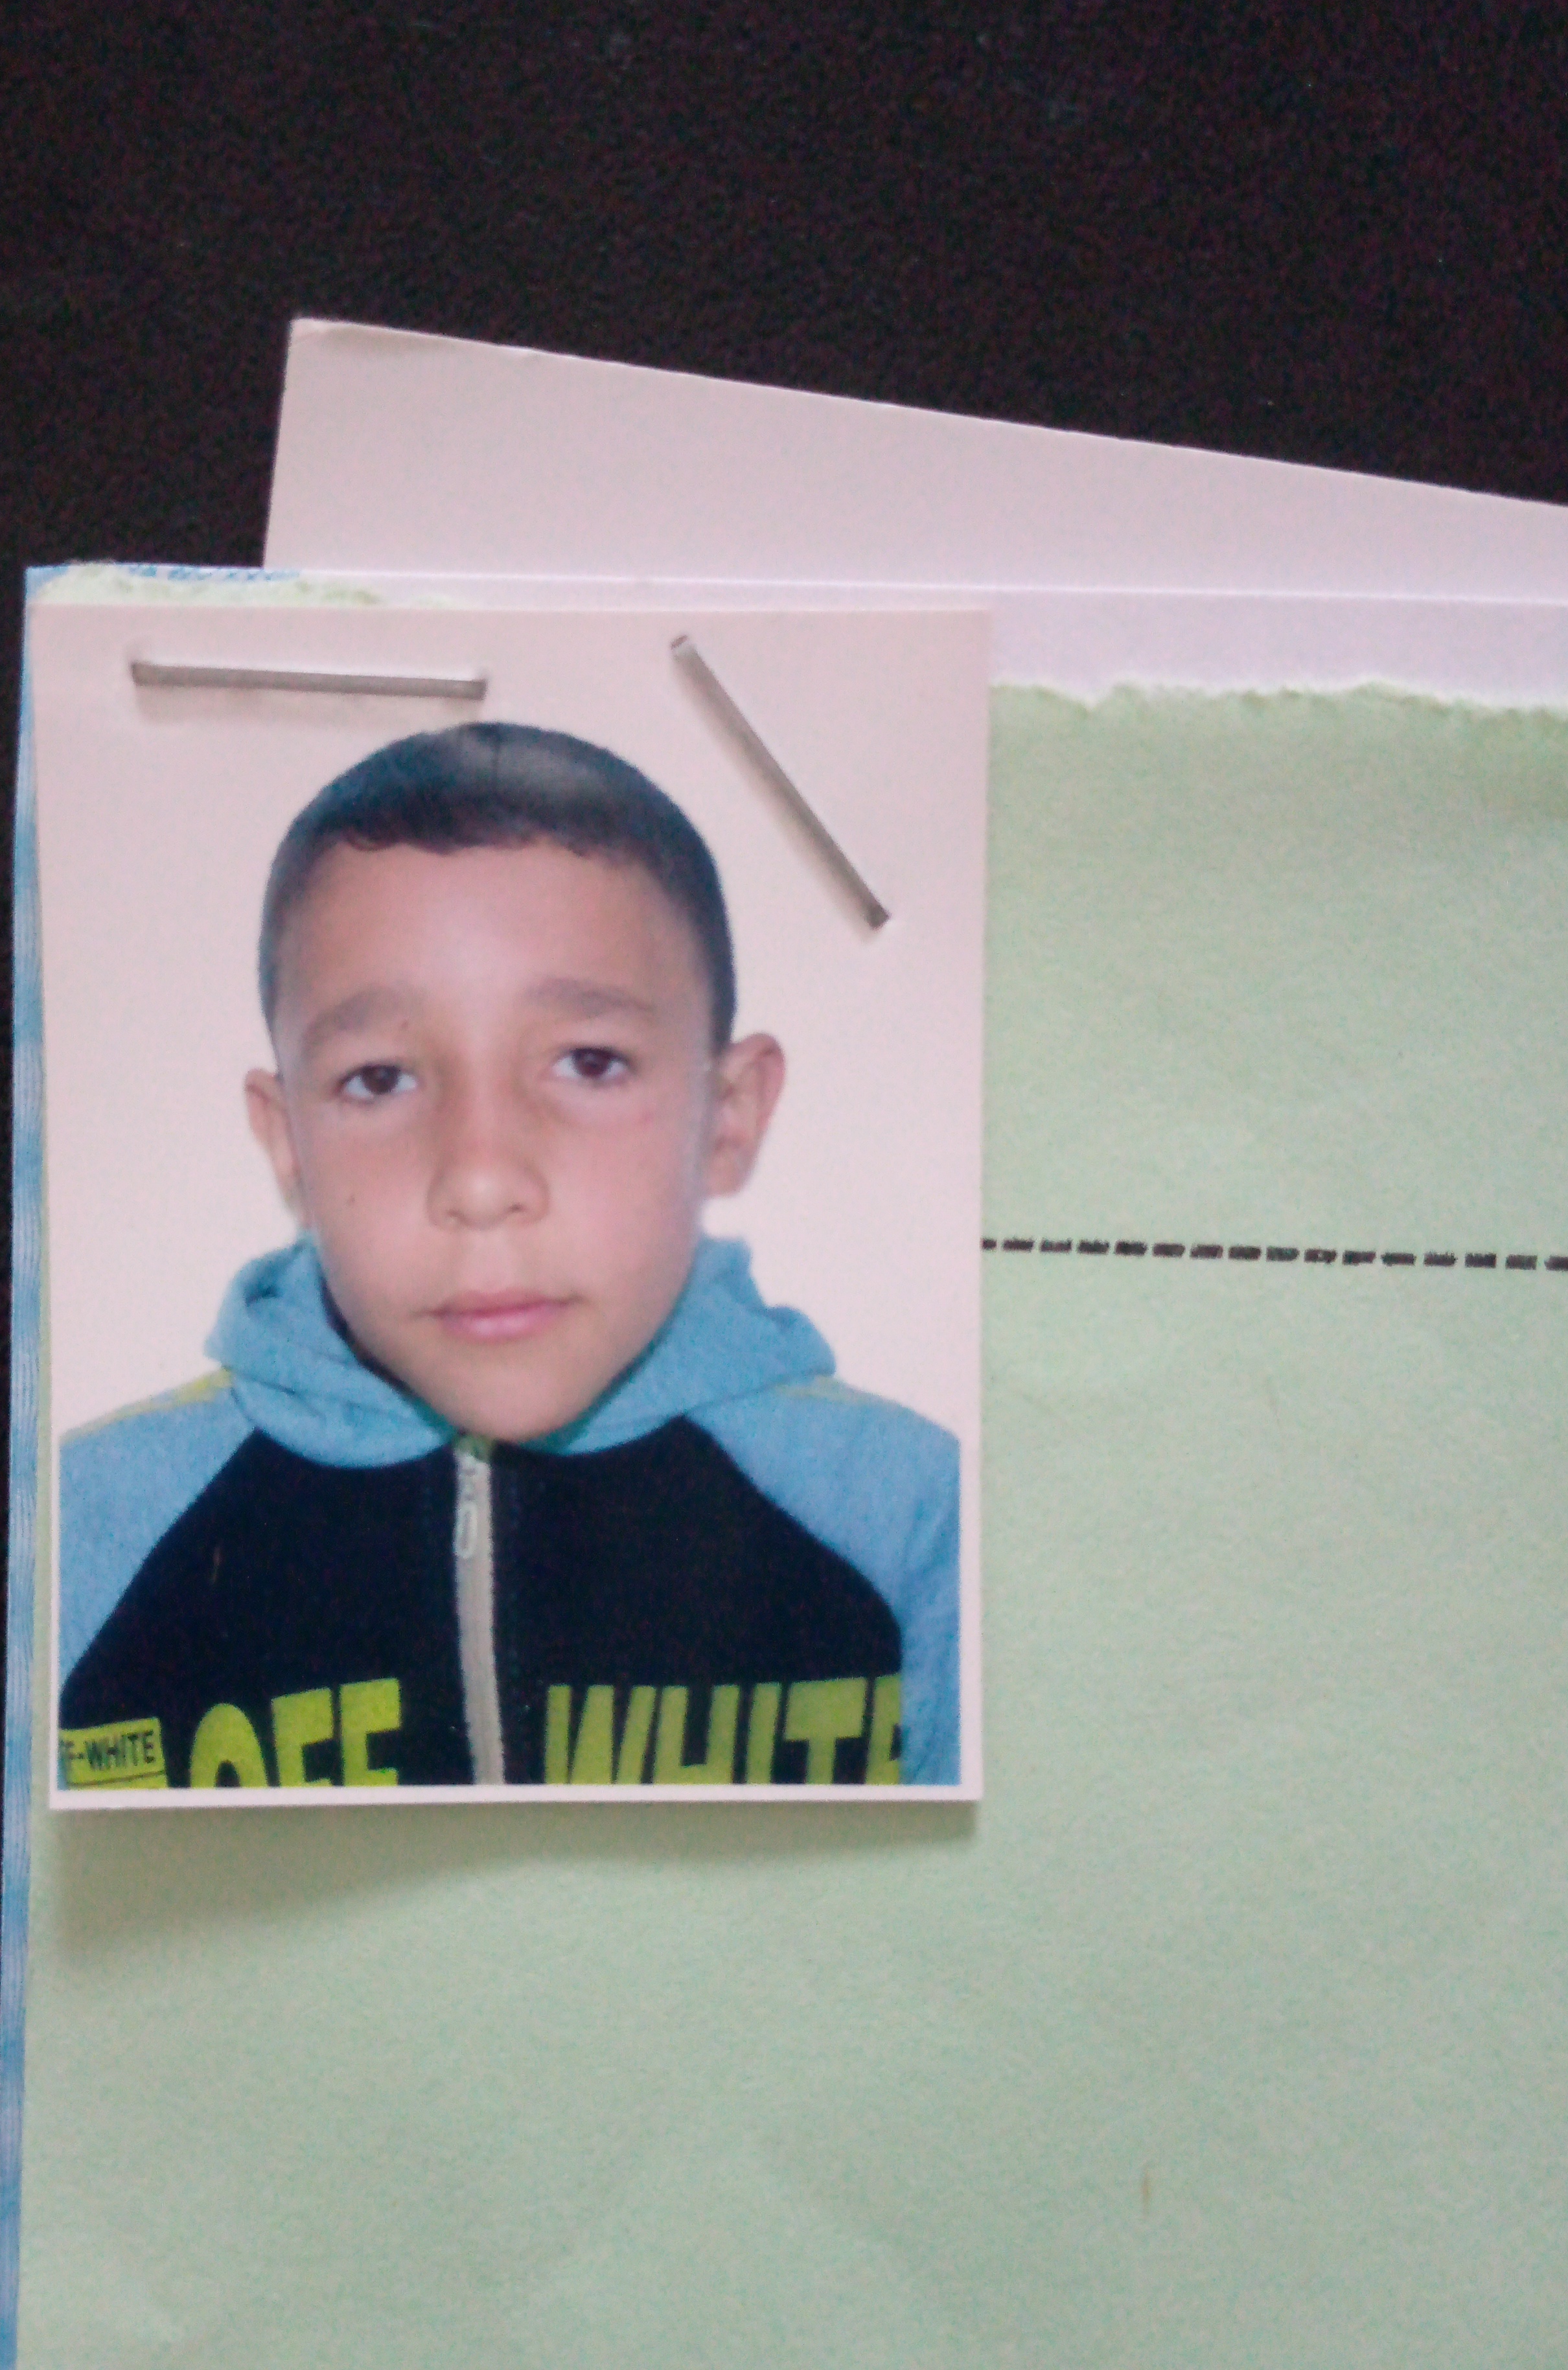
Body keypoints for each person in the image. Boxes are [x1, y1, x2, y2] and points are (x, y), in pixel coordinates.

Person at [56, 722, 960, 1794]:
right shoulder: (78, 1532)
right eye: (380, 1079)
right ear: (287, 1139)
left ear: (728, 1114)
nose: (481, 1179)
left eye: (590, 1062)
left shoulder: (910, 1520)